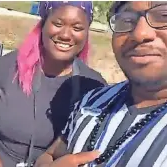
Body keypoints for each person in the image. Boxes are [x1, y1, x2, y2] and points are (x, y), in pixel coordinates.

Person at [0, 1, 107, 167]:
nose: (66, 34)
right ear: (43, 24)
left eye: (77, 28)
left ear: (87, 33)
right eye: (58, 24)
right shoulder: (11, 64)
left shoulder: (93, 86)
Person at [34, 1, 167, 167]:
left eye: (164, 16)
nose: (139, 33)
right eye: (127, 20)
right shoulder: (91, 101)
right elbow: (49, 155)